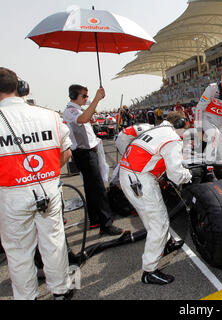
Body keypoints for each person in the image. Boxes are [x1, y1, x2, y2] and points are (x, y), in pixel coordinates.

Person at [0, 67, 73, 300]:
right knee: (53, 242)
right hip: (47, 189)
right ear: (20, 87)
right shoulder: (49, 115)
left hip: (10, 194)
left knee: (19, 253)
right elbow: (67, 154)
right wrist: (46, 176)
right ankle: (61, 290)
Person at [119, 111, 192, 285]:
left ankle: (165, 244)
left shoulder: (153, 130)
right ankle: (149, 271)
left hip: (129, 174)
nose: (185, 135)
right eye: (185, 130)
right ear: (180, 124)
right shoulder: (172, 138)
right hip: (140, 180)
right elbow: (176, 174)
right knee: (159, 223)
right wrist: (188, 175)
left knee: (150, 216)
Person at [63, 84, 123, 235]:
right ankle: (106, 225)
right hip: (84, 153)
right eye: (84, 96)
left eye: (87, 96)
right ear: (74, 96)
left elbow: (89, 108)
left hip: (88, 152)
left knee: (91, 188)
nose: (86, 99)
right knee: (98, 188)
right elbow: (83, 119)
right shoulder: (71, 111)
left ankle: (95, 219)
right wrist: (97, 98)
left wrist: (99, 97)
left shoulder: (77, 108)